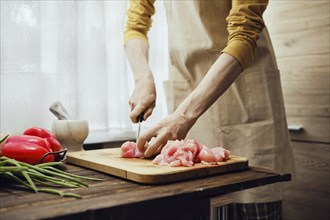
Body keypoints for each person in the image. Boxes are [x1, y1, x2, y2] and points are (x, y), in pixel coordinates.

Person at [124, 0, 294, 219]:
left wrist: (184, 115)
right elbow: (135, 24)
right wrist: (142, 78)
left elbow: (245, 32)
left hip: (245, 88)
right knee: (199, 206)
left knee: (253, 202)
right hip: (188, 84)